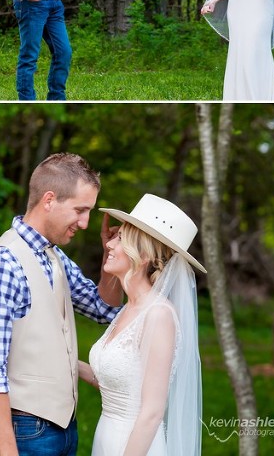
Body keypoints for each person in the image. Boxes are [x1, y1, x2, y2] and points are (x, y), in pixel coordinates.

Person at [0, 153, 123, 456]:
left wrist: (110, 260)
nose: (85, 222)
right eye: (80, 210)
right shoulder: (1, 263)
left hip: (64, 428)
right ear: (49, 200)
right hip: (23, 432)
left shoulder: (53, 255)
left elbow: (104, 309)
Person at [80, 194, 205, 456]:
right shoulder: (129, 308)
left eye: (120, 238)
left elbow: (152, 412)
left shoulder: (158, 315)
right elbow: (116, 382)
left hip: (136, 446)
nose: (109, 244)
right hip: (106, 439)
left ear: (144, 253)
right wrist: (63, 360)